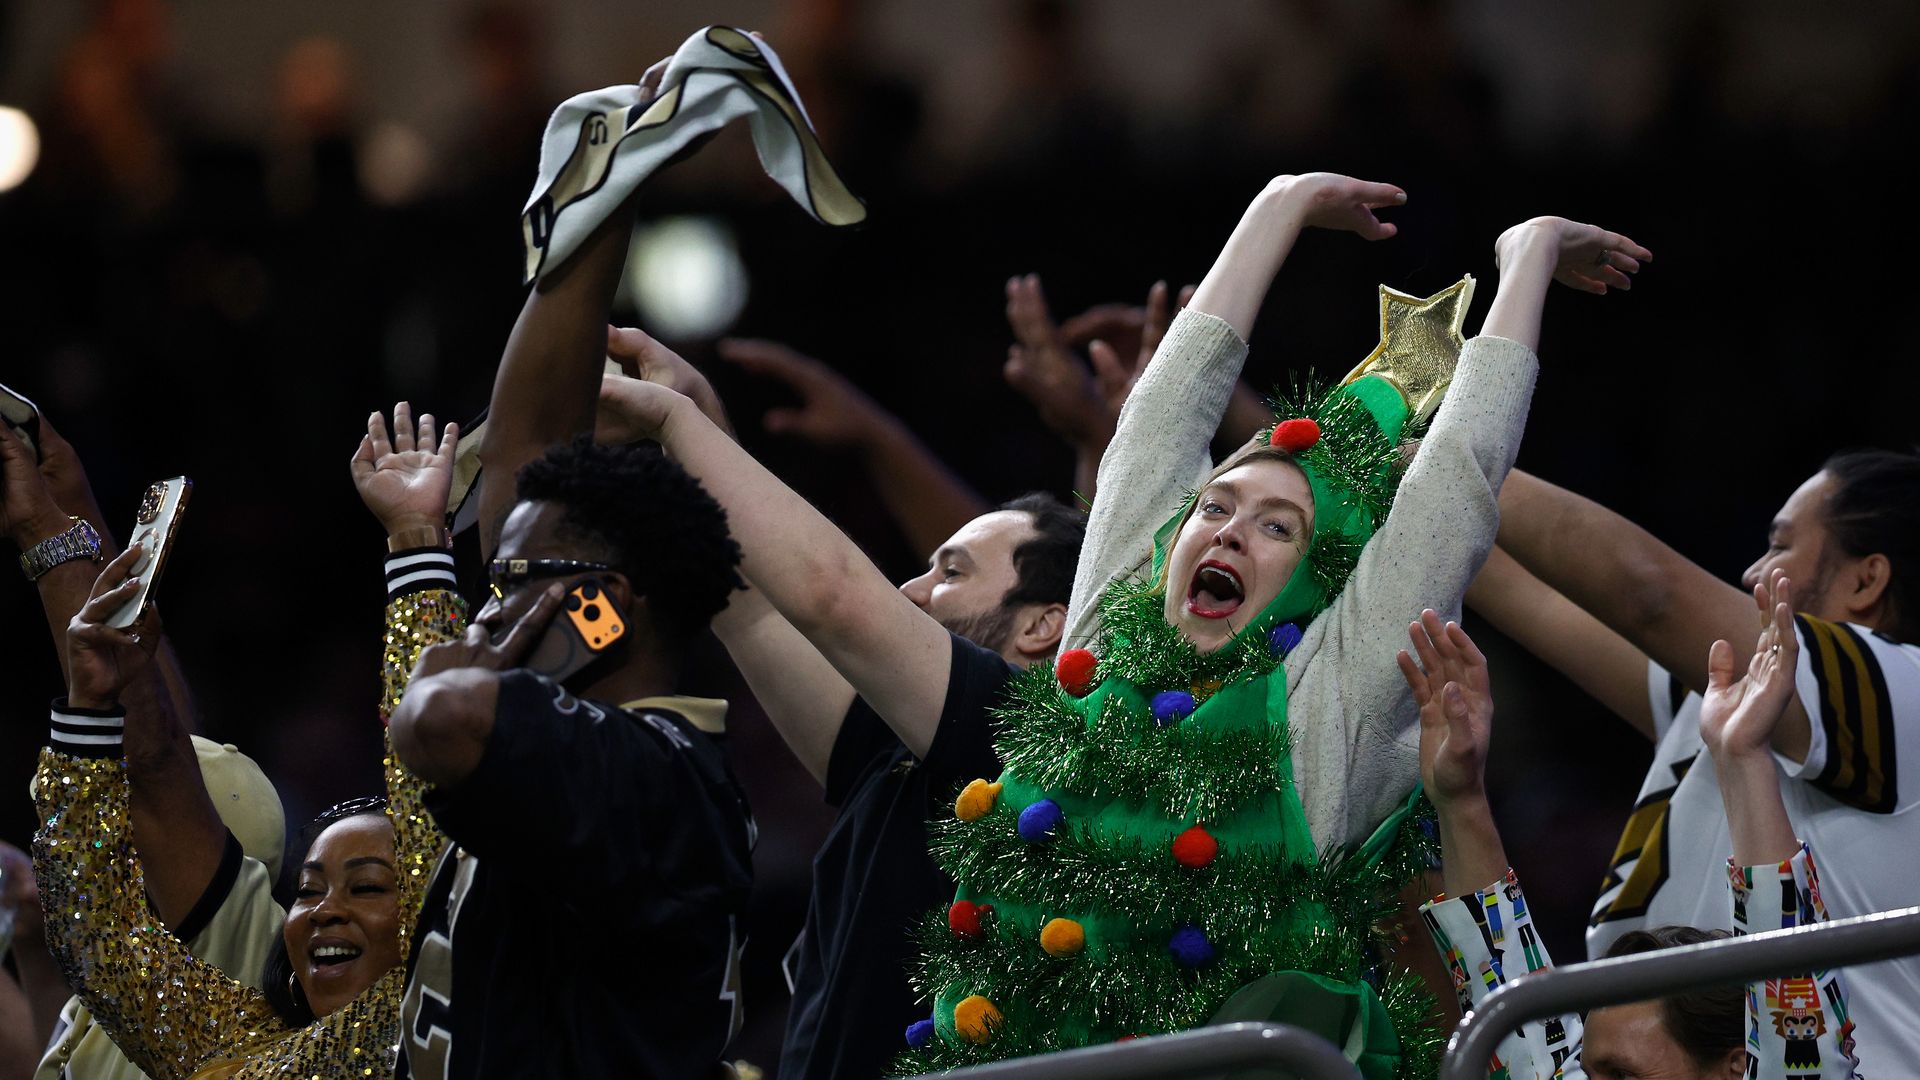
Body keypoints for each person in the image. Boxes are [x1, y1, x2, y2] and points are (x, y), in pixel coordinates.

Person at [611, 170, 1645, 1072]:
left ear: (1320, 585)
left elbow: (1456, 488)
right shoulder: (1096, 655)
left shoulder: (1324, 728)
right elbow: (1161, 423)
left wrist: (1530, 260)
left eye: (1277, 528)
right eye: (1215, 508)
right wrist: (1275, 205)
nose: (1228, 532)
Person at [383, 24, 861, 1074]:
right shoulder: (604, 739)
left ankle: (611, 180)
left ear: (607, 605)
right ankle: (611, 181)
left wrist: (490, 642)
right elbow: (527, 471)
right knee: (528, 487)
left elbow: (442, 718)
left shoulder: (641, 771)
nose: (493, 608)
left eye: (521, 588)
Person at [597, 332, 1084, 1080]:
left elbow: (831, 596)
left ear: (1042, 624)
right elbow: (747, 599)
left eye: (949, 571)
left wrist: (675, 423)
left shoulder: (1023, 733)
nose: (911, 591)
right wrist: (700, 424)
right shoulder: (897, 753)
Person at [1479, 449, 1920, 1070]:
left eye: (1780, 546)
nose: (1750, 572)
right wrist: (1389, 506)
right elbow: (1532, 600)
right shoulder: (1736, 698)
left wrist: (1441, 454)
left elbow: (1646, 592)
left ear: (1865, 581)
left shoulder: (1903, 688)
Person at [1404, 574, 1861, 1079]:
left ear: (1738, 1070)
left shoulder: (1787, 1058)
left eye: (1621, 1075)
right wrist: (1460, 795)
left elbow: (1795, 1027)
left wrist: (1744, 759)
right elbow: (1511, 1005)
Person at [2, 413, 291, 1080]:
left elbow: (154, 757)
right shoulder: (129, 982)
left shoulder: (227, 966)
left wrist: (44, 536)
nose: (79, 821)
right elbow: (164, 737)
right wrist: (73, 508)